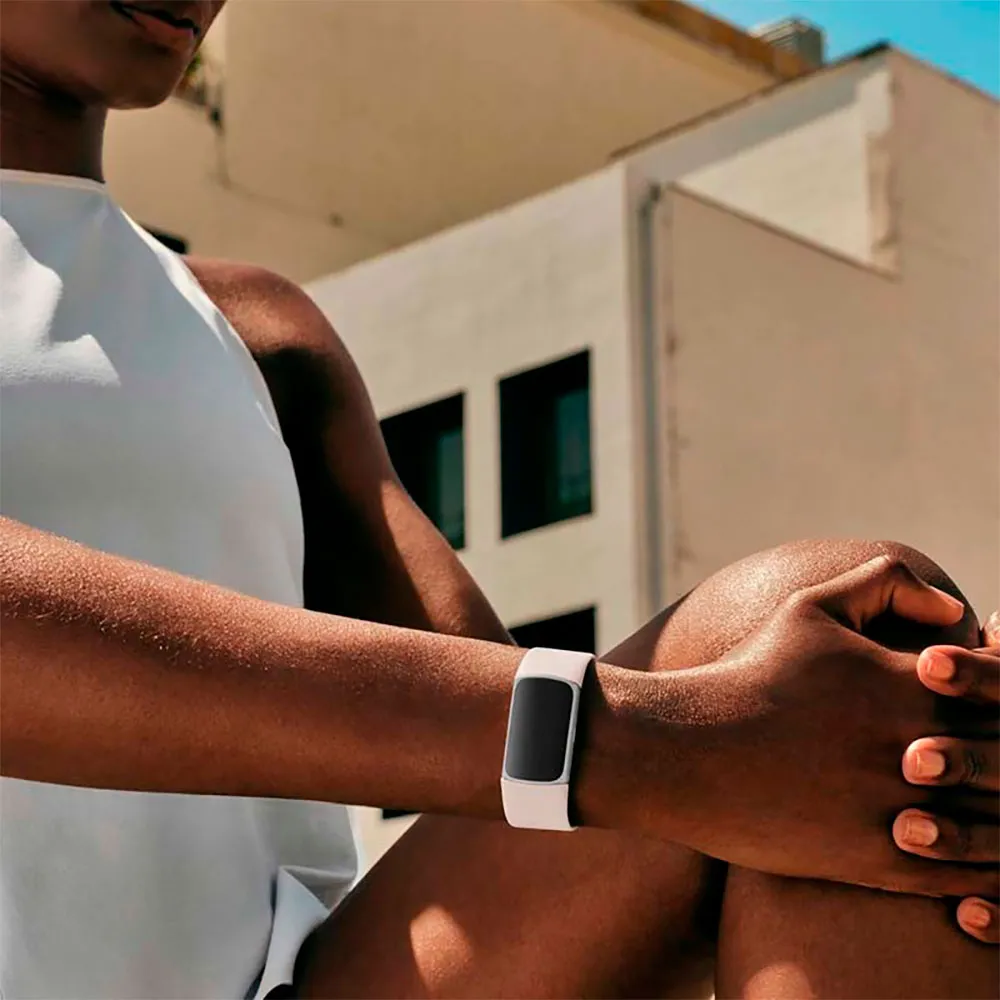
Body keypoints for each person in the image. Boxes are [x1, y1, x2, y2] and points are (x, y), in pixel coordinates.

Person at [0, 1, 995, 997]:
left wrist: (932, 721)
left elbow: (501, 748)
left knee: (877, 679)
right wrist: (655, 745)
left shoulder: (256, 332)